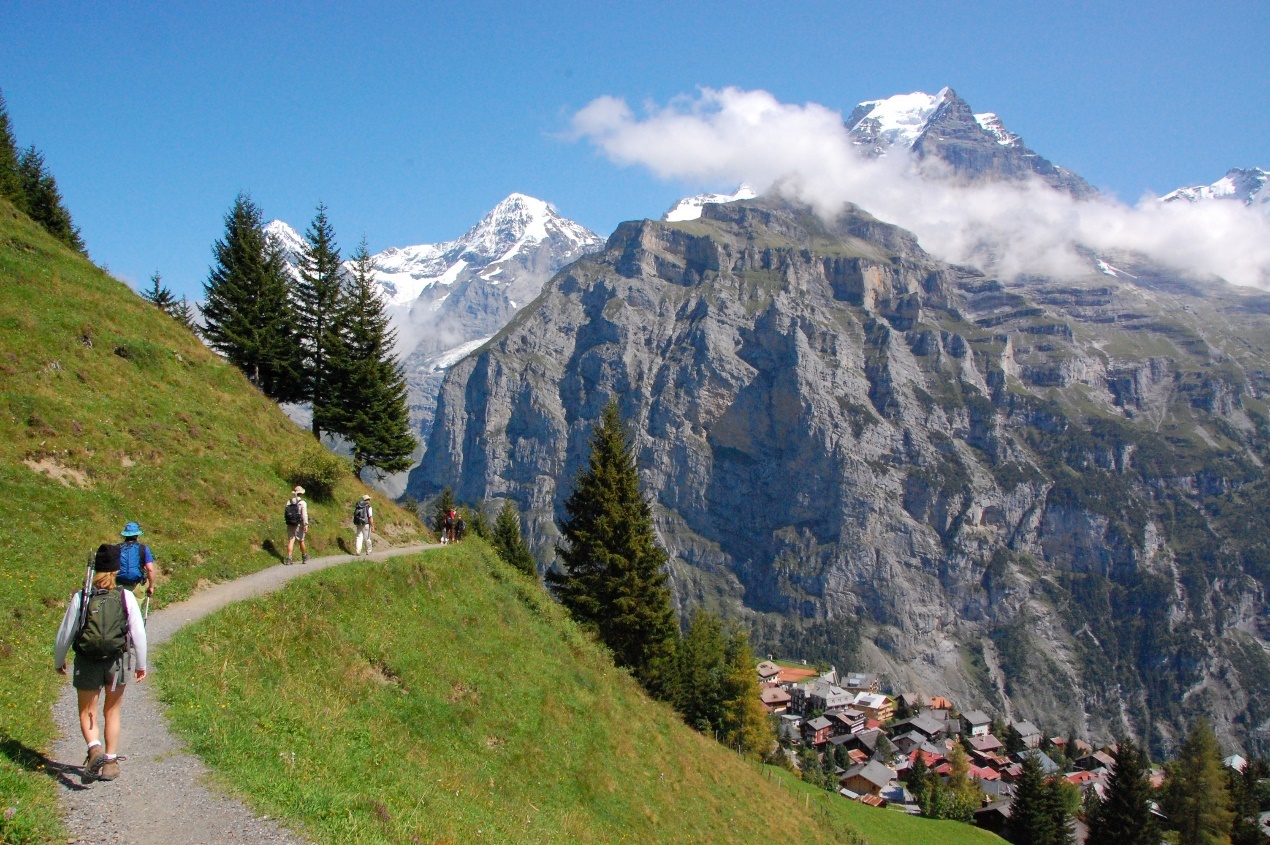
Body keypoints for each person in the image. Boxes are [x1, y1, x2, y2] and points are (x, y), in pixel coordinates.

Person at [54, 549, 148, 783]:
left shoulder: (82, 597)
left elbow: (66, 632)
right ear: (116, 570)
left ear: (95, 569)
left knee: (88, 711)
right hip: (117, 660)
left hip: (87, 660)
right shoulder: (125, 597)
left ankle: (94, 747)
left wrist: (59, 660)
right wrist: (141, 664)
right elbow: (138, 633)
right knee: (112, 711)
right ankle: (110, 763)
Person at [114, 522, 156, 598]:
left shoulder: (116, 548)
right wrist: (151, 586)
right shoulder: (143, 548)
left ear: (125, 535)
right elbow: (150, 569)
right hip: (136, 585)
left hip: (118, 586)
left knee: (118, 608)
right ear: (137, 535)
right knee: (135, 609)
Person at [284, 486, 309, 564]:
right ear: (301, 493)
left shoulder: (289, 502)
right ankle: (304, 556)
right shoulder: (302, 503)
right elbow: (304, 515)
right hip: (299, 524)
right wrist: (305, 525)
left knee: (291, 540)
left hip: (290, 523)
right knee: (301, 540)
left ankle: (289, 558)